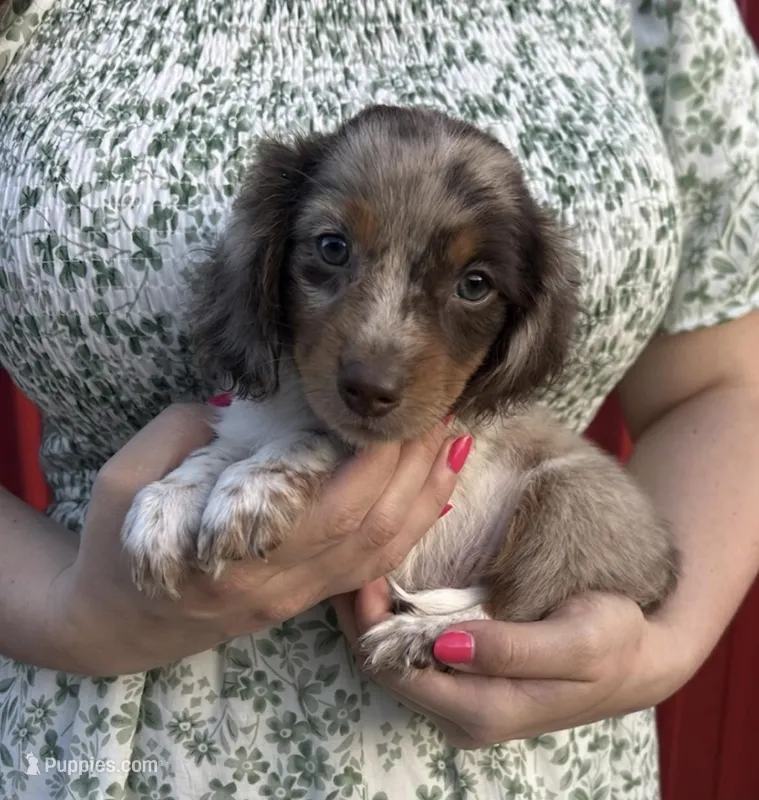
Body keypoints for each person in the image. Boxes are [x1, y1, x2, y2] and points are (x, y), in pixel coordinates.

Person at [1, 0, 759, 798]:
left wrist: (657, 654)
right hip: (114, 747)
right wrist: (63, 610)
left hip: (533, 759)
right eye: (331, 251)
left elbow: (723, 383)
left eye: (472, 286)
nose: (375, 366)